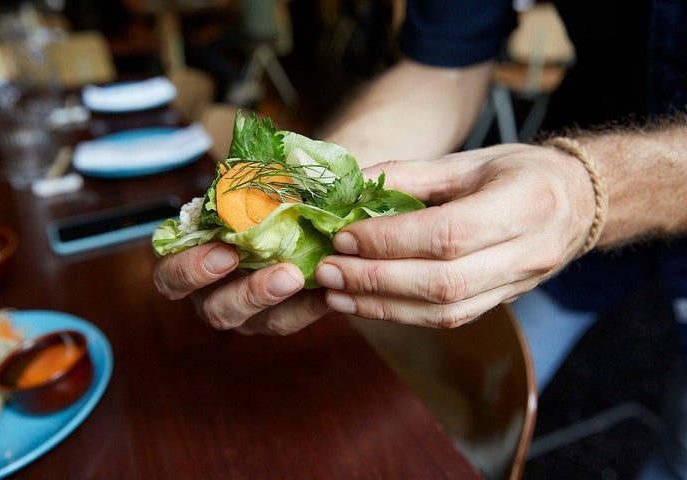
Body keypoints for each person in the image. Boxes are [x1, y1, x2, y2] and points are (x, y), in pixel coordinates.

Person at [153, 0, 687, 475]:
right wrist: (306, 197)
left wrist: (591, 189)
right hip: (557, 188)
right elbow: (442, 70)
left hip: (574, 181)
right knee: (462, 410)